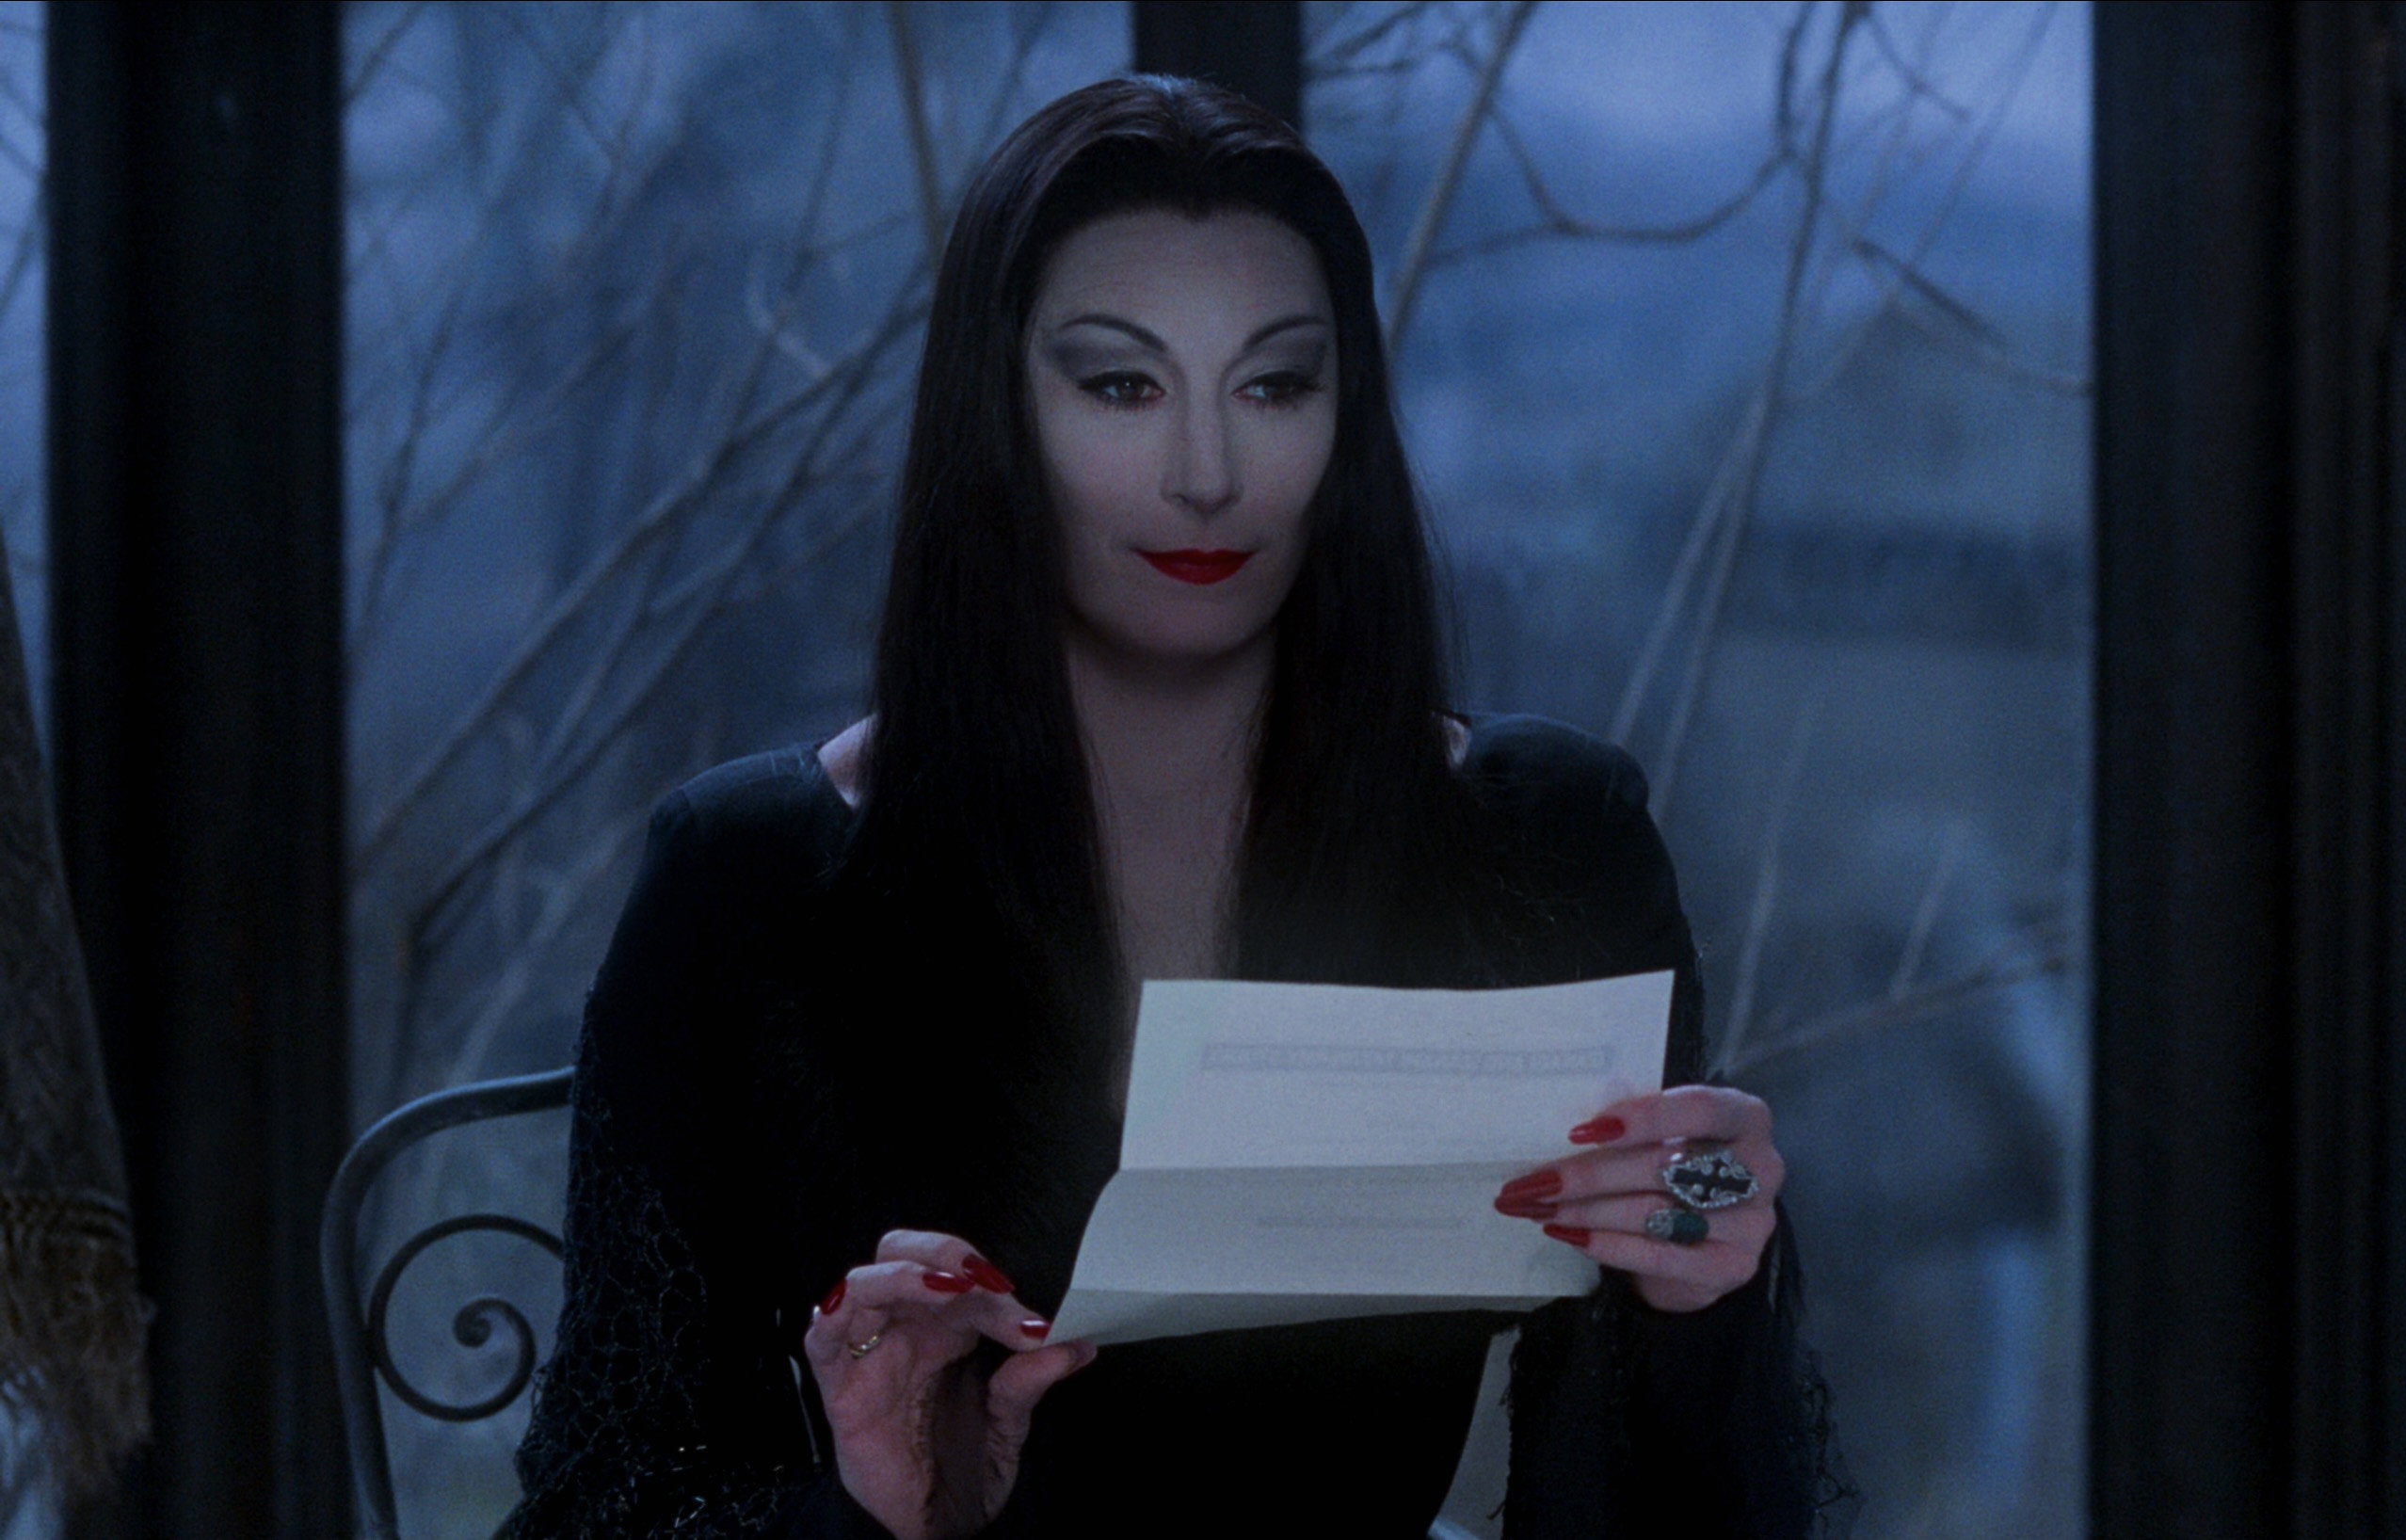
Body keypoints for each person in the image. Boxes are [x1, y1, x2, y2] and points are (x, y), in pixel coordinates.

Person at [508, 75, 1845, 1539]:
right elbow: (598, 1506)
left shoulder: (1540, 841)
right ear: (997, 414)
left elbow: (1678, 1488)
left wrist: (1698, 1295)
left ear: (1346, 418)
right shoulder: (750, 881)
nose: (1208, 475)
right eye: (1121, 387)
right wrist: (870, 1515)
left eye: (1274, 386)